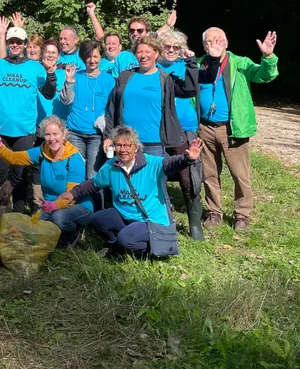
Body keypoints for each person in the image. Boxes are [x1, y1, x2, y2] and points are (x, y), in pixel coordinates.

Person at [59, 126, 204, 257]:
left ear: (136, 147)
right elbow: (93, 184)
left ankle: (145, 249)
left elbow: (171, 163)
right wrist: (72, 193)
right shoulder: (111, 166)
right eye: (119, 145)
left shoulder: (151, 163)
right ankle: (116, 245)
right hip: (124, 216)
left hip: (149, 221)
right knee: (97, 220)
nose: (123, 150)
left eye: (127, 145)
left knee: (125, 239)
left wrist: (188, 158)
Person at [0, 25, 58, 213]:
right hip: (0, 131)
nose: (15, 45)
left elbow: (48, 94)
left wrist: (50, 74)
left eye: (18, 42)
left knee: (20, 175)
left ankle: (19, 214)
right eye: (11, 41)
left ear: (24, 44)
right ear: (7, 43)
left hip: (25, 131)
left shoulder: (34, 67)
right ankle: (0, 213)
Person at [198, 28, 278, 232]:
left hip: (232, 129)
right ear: (204, 46)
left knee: (240, 174)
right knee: (209, 173)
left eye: (218, 40)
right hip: (205, 128)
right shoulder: (198, 64)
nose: (214, 44)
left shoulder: (239, 63)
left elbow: (264, 75)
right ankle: (213, 211)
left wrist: (268, 57)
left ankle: (242, 215)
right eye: (209, 41)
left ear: (226, 43)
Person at [0, 116, 90, 247]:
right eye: (48, 134)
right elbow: (15, 158)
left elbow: (72, 196)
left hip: (76, 205)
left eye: (55, 134)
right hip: (49, 205)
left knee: (58, 218)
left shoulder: (74, 158)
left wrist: (55, 206)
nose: (51, 139)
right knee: (29, 232)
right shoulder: (42, 151)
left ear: (64, 134)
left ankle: (73, 236)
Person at [104, 35, 197, 158]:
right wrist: (110, 136)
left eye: (148, 52)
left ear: (156, 53)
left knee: (154, 177)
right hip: (126, 143)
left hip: (154, 144)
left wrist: (191, 62)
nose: (143, 55)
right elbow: (112, 108)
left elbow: (190, 90)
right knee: (125, 177)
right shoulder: (125, 77)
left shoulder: (166, 79)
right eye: (139, 52)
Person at [157, 30, 204, 240]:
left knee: (189, 174)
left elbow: (194, 87)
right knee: (159, 171)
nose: (171, 50)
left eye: (176, 47)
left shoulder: (186, 66)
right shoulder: (153, 68)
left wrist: (191, 60)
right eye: (167, 46)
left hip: (185, 126)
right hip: (158, 127)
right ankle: (162, 217)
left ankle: (195, 224)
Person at [63, 40, 116, 179]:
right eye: (88, 56)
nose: (92, 60)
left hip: (96, 135)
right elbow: (66, 100)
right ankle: (78, 201)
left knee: (93, 175)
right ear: (82, 57)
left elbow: (113, 108)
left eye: (95, 56)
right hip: (75, 132)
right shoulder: (75, 76)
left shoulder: (109, 80)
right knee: (77, 173)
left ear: (101, 57)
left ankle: (94, 201)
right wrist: (69, 81)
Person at [37, 40, 75, 128]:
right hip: (38, 124)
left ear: (58, 56)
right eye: (48, 52)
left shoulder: (66, 74)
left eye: (53, 52)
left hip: (60, 125)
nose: (50, 55)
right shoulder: (36, 72)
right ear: (42, 54)